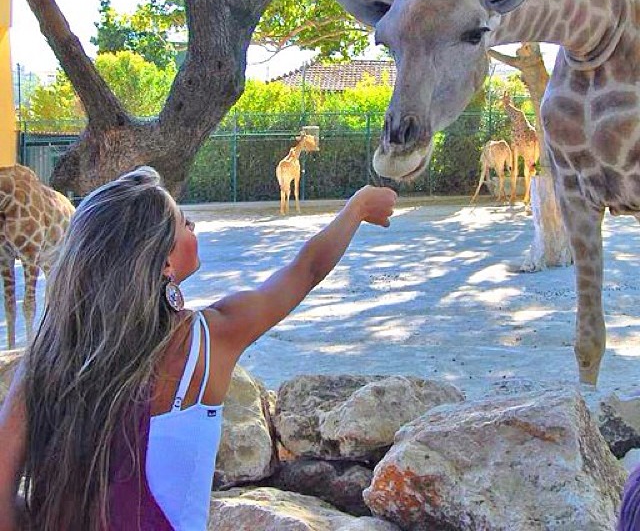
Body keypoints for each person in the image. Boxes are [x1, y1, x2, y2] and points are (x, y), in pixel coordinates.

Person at [0, 166, 397, 531]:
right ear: (163, 265)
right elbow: (305, 270)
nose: (194, 226)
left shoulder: (44, 362)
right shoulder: (206, 342)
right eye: (182, 223)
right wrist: (357, 207)